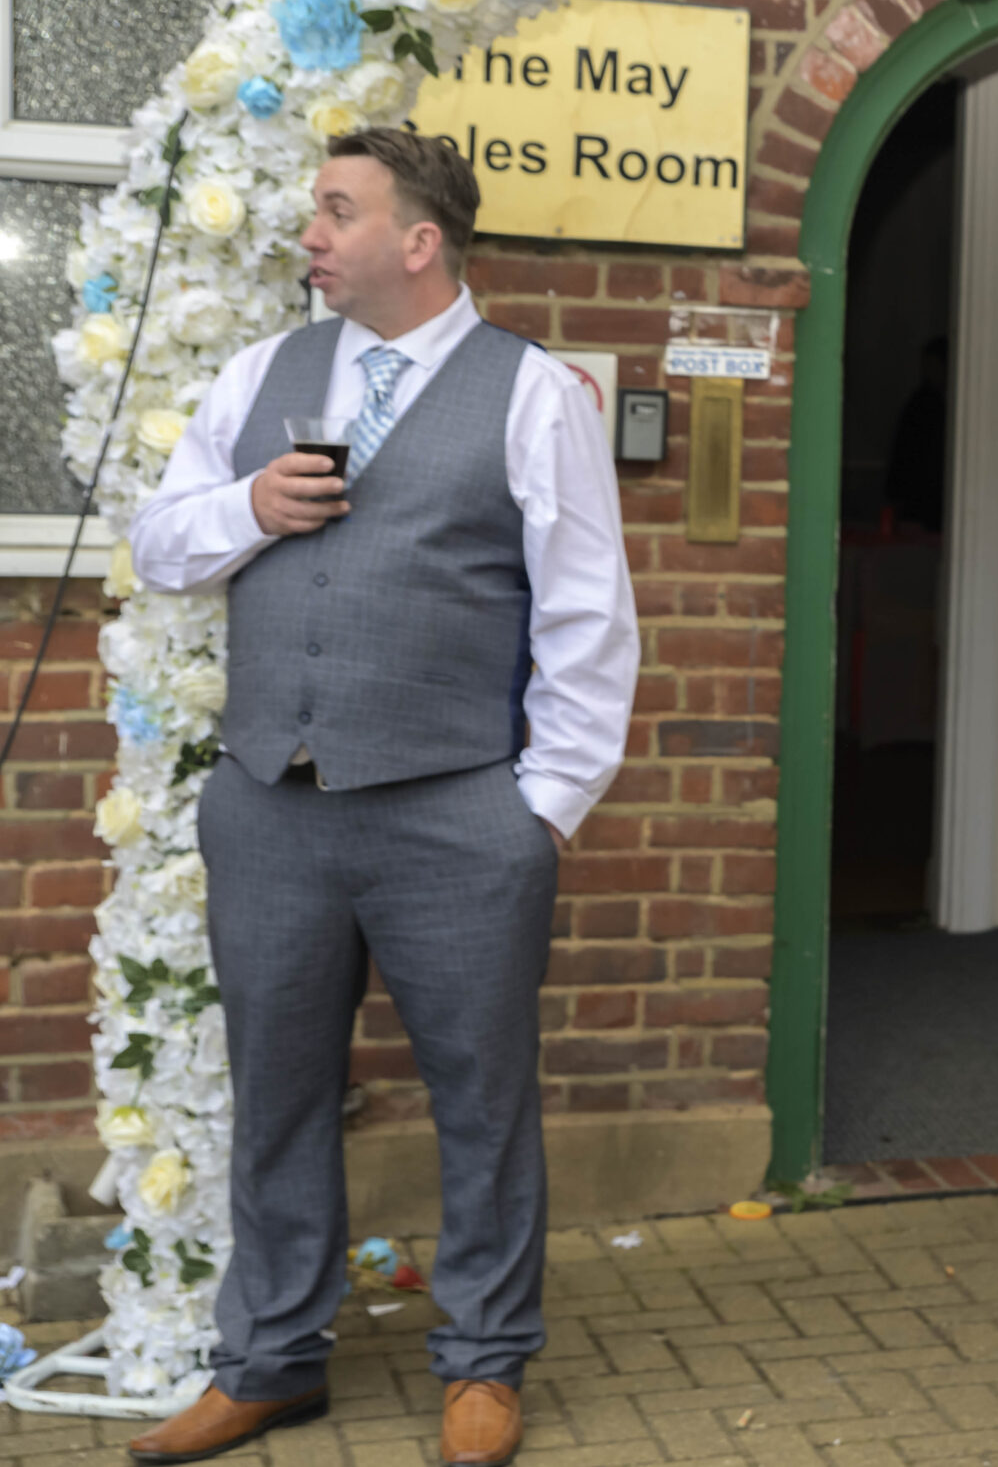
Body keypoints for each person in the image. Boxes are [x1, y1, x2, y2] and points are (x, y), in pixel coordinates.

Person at [122, 129, 638, 1467]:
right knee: (276, 1094)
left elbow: (589, 618)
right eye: (314, 209)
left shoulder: (535, 393)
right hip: (269, 804)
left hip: (456, 811)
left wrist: (539, 810)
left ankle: (483, 1361)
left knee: (482, 1099)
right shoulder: (261, 374)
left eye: (337, 210)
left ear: (418, 240)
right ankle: (270, 1362)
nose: (311, 233)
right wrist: (252, 504)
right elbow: (159, 541)